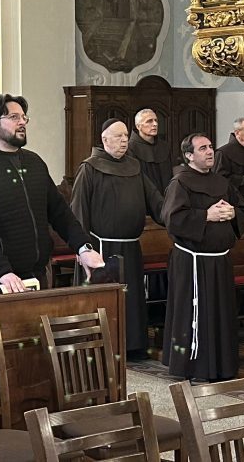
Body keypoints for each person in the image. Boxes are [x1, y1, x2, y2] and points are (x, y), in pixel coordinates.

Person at [0, 93, 105, 296]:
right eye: (14, 117)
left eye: (23, 117)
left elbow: (60, 212)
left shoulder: (34, 162)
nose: (22, 122)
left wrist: (83, 248)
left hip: (36, 275)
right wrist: (2, 272)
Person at [70, 118, 163, 358]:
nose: (124, 141)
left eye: (125, 136)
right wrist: (83, 248)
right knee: (105, 301)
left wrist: (183, 215)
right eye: (118, 136)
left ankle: (132, 346)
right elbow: (78, 212)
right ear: (104, 139)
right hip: (101, 248)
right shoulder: (90, 168)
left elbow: (157, 203)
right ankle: (103, 346)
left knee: (132, 300)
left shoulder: (134, 167)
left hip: (130, 248)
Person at [162, 133, 244, 382]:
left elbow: (243, 209)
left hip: (220, 261)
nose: (210, 151)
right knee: (194, 315)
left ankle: (222, 365)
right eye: (203, 148)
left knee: (221, 314)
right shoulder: (180, 183)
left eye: (210, 147)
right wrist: (205, 216)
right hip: (193, 262)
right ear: (189, 155)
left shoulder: (222, 182)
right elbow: (172, 219)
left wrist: (233, 212)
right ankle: (193, 366)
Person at [128, 108, 175, 192]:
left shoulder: (164, 146)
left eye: (156, 120)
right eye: (149, 121)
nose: (155, 124)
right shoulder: (130, 148)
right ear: (138, 126)